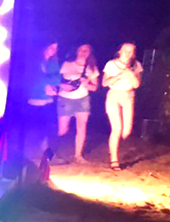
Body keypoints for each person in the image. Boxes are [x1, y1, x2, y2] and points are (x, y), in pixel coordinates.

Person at [54, 42, 99, 164]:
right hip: (65, 98)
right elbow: (55, 80)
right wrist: (62, 85)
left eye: (87, 50)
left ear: (90, 53)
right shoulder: (66, 64)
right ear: (77, 51)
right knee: (63, 129)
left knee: (81, 127)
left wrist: (87, 84)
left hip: (83, 99)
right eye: (81, 49)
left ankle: (78, 155)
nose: (84, 52)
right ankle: (51, 149)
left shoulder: (92, 68)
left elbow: (95, 87)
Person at [103, 42, 143, 170]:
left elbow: (136, 85)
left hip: (128, 96)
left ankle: (120, 148)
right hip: (114, 95)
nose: (128, 53)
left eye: (131, 51)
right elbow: (105, 83)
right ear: (120, 51)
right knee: (117, 129)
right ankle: (114, 160)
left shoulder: (136, 65)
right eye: (125, 50)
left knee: (127, 130)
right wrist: (120, 75)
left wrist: (130, 74)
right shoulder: (111, 64)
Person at [25, 40, 60, 178]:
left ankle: (48, 154)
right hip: (35, 98)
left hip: (48, 99)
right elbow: (34, 77)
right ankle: (29, 154)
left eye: (55, 49)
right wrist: (47, 83)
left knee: (48, 128)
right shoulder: (35, 61)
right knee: (34, 127)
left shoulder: (53, 63)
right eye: (51, 47)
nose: (53, 51)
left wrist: (48, 83)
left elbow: (57, 78)